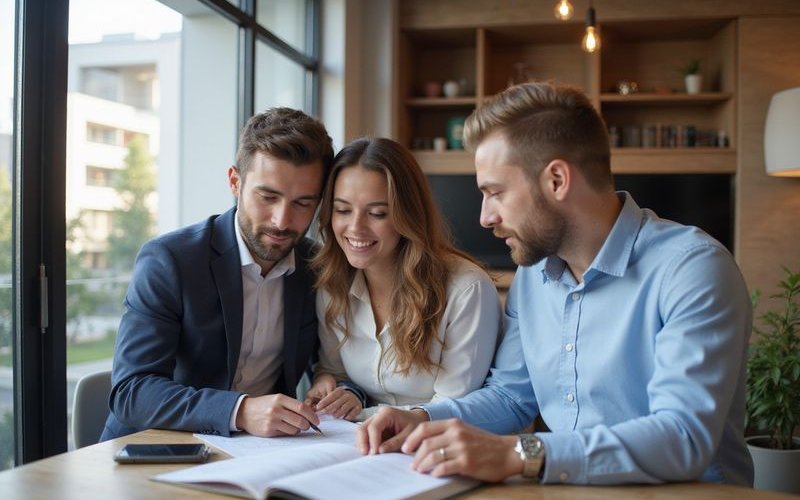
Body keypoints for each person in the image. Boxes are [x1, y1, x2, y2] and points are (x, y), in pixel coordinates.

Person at [356, 82, 754, 486]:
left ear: (558, 180)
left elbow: (683, 437)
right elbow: (512, 397)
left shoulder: (692, 269)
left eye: (495, 192)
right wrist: (421, 418)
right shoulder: (533, 275)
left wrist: (520, 454)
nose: (485, 217)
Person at [101, 107, 335, 440]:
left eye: (303, 203)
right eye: (268, 196)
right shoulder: (169, 261)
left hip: (258, 451)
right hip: (153, 447)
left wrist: (329, 379)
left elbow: (332, 358)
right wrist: (239, 410)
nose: (282, 220)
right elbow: (132, 391)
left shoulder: (316, 266)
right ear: (234, 182)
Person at [303, 137, 502, 421]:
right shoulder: (333, 283)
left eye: (377, 213)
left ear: (407, 214)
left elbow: (453, 408)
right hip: (360, 444)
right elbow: (335, 371)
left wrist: (364, 413)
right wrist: (340, 391)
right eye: (343, 210)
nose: (356, 228)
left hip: (439, 448)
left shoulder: (467, 289)